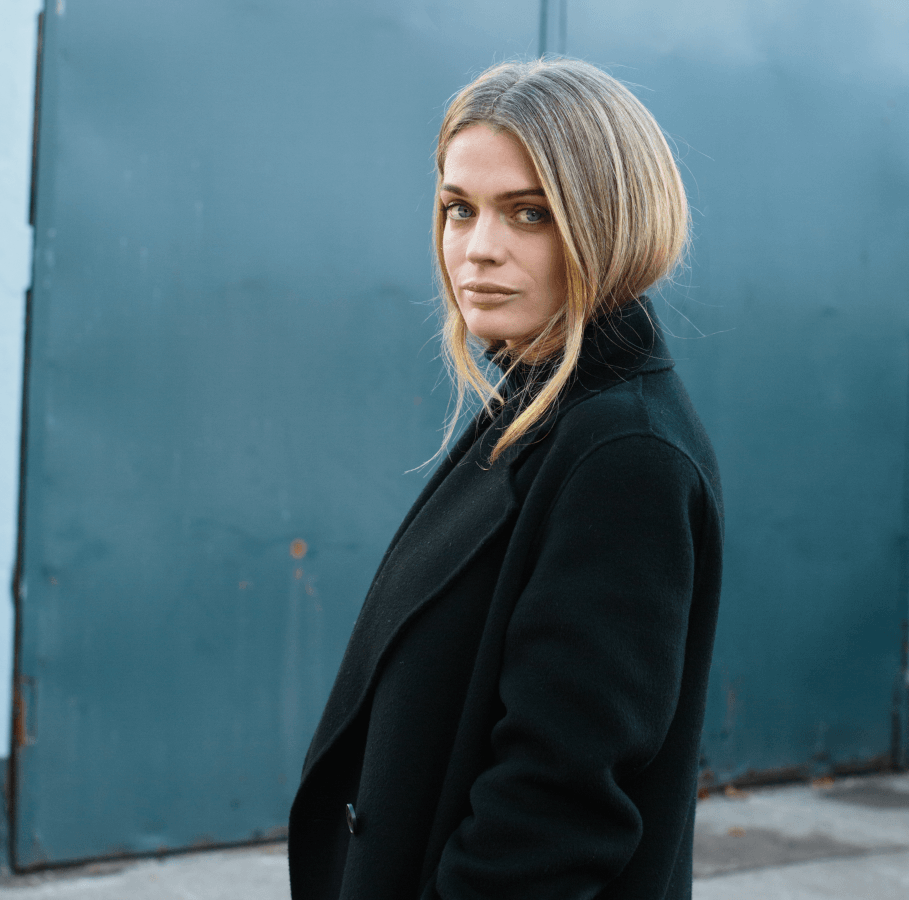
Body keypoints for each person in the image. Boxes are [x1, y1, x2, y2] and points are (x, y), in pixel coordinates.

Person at [288, 57, 724, 900]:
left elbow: (557, 807)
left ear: (612, 220)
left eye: (530, 213)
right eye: (459, 209)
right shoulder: (540, 401)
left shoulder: (621, 453)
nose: (477, 250)